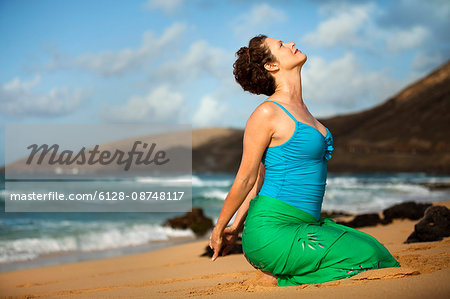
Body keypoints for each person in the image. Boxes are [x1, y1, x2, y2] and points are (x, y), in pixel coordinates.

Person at [208, 34, 400, 287]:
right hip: (272, 230)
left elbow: (263, 177)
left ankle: (284, 271)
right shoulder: (267, 113)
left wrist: (236, 223)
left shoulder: (303, 109)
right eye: (281, 45)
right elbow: (246, 178)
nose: (291, 44)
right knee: (367, 256)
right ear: (271, 65)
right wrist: (222, 228)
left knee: (374, 249)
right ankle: (279, 278)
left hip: (307, 224)